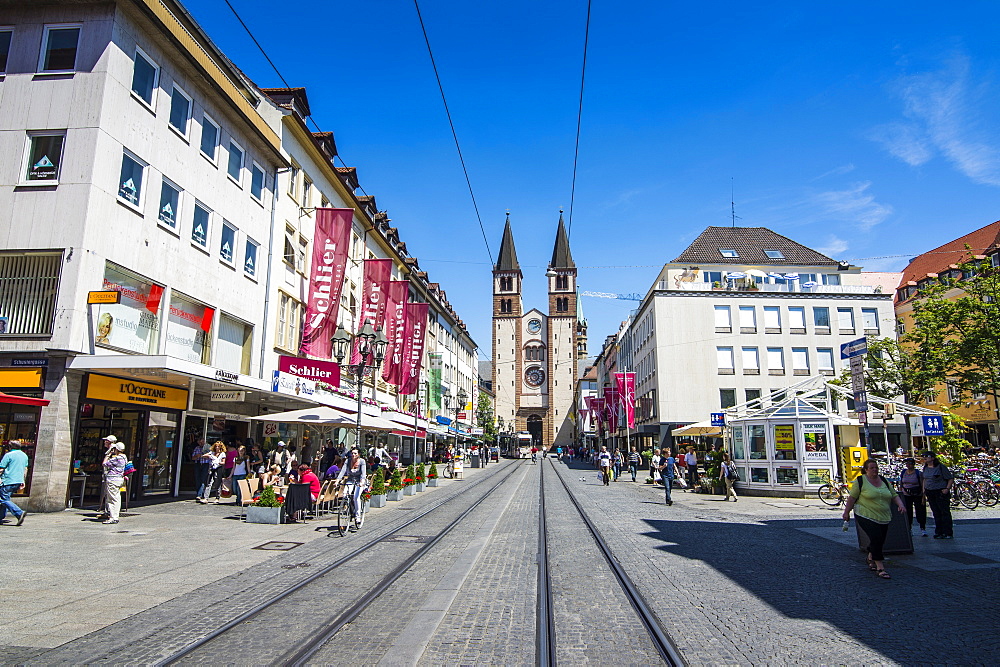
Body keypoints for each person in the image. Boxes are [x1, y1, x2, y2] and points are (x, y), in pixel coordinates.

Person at [842, 459, 906, 579]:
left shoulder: (883, 480)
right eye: (872, 468)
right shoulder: (860, 481)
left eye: (876, 467)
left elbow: (893, 495)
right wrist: (847, 512)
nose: (875, 470)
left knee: (880, 539)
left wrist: (901, 505)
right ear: (866, 470)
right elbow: (852, 498)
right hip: (865, 514)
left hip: (884, 515)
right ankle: (880, 566)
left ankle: (871, 556)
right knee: (876, 537)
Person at [922, 451, 954, 539]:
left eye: (926, 456)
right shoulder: (925, 468)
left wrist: (947, 489)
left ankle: (947, 532)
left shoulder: (940, 467)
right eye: (923, 456)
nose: (924, 458)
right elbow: (925, 480)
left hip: (940, 491)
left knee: (944, 512)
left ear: (933, 458)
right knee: (936, 512)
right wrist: (924, 491)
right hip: (930, 491)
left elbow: (950, 478)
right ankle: (939, 531)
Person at [336, 449, 368, 531]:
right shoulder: (348, 461)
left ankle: (358, 517)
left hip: (359, 480)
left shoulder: (362, 462)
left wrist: (362, 481)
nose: (353, 455)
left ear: (359, 454)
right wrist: (337, 480)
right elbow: (343, 470)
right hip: (350, 480)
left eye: (355, 453)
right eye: (352, 453)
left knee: (356, 497)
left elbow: (363, 473)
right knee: (345, 493)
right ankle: (347, 508)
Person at [0, 440, 29, 526]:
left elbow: (1, 468)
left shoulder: (8, 455)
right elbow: (25, 469)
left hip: (7, 480)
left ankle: (19, 513)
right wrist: (23, 480)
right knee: (5, 498)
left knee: (3, 499)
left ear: (10, 447)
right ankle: (1, 516)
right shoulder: (24, 455)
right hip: (18, 480)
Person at [101, 437, 128, 524]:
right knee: (116, 498)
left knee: (111, 499)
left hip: (113, 480)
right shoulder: (124, 457)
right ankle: (115, 516)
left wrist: (108, 455)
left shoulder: (117, 458)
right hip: (119, 479)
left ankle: (113, 517)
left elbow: (104, 463)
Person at [898, 457, 927, 537]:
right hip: (906, 494)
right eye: (907, 464)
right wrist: (900, 493)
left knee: (920, 511)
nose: (908, 465)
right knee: (908, 512)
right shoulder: (904, 472)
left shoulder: (918, 473)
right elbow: (901, 483)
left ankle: (922, 528)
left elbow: (922, 484)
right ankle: (909, 528)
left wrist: (923, 495)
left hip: (917, 494)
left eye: (910, 464)